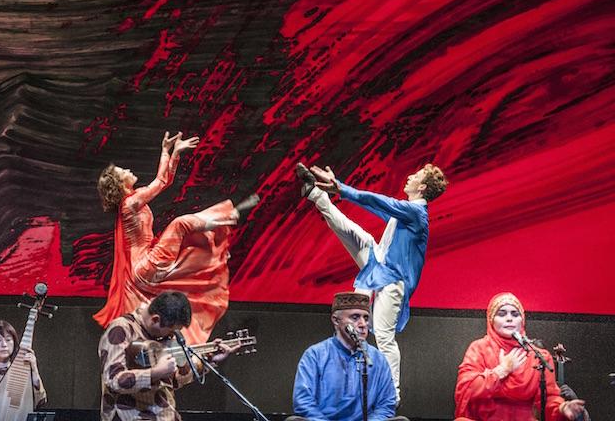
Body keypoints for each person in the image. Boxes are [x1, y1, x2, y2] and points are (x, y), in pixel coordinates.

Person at [296, 161, 447, 404]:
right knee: (355, 233)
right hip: (380, 265)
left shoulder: (416, 213)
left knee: (384, 337)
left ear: (422, 188)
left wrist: (342, 189)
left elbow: (377, 201)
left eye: (416, 175)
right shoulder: (407, 211)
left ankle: (392, 393)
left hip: (393, 281)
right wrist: (340, 191)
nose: (409, 176)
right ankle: (316, 193)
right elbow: (372, 204)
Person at [94, 131, 259, 343]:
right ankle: (231, 216)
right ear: (118, 183)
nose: (128, 170)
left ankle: (227, 220)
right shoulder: (129, 204)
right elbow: (161, 181)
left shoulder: (134, 199)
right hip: (145, 265)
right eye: (122, 171)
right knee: (179, 224)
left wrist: (168, 152)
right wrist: (171, 153)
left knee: (189, 243)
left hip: (147, 262)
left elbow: (166, 180)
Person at [98, 290, 238, 421]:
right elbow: (113, 381)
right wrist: (156, 372)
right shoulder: (121, 329)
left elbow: (173, 380)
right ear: (156, 320)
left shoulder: (157, 337)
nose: (171, 336)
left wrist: (208, 360)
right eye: (170, 331)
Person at [454, 292, 587, 421]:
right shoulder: (479, 349)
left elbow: (549, 399)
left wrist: (563, 408)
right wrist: (501, 370)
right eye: (501, 314)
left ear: (522, 320)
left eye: (515, 314)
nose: (509, 318)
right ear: (491, 320)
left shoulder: (539, 355)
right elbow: (466, 390)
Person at [287, 291, 403, 421]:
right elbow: (303, 402)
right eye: (354, 317)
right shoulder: (315, 355)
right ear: (336, 320)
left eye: (365, 318)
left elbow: (386, 404)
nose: (362, 324)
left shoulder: (377, 359)